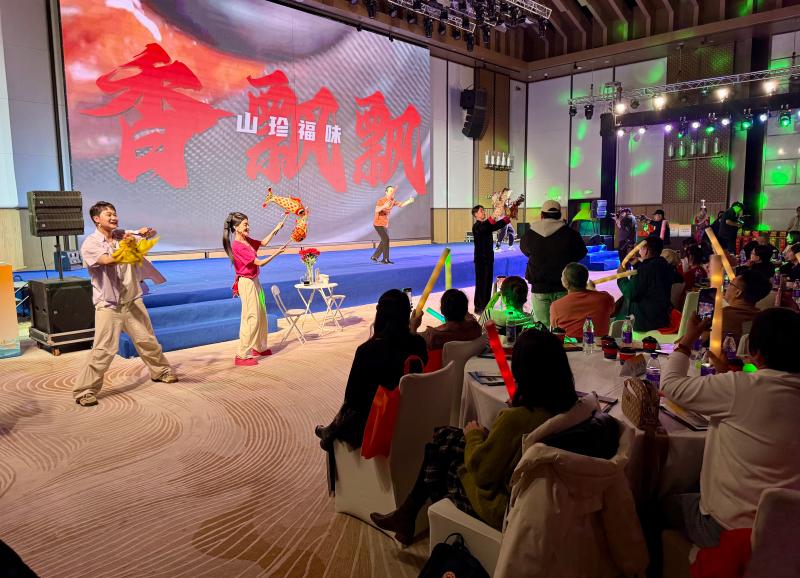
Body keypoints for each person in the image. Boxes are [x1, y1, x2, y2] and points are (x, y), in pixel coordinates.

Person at [369, 328, 583, 544]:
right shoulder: (571, 408)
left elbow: (482, 473)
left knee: (440, 454)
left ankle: (410, 516)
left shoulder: (516, 419)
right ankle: (407, 515)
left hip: (504, 508)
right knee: (445, 437)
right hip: (541, 501)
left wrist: (473, 435)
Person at [660, 309, 800, 548]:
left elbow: (670, 385)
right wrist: (727, 376)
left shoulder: (741, 388)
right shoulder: (750, 388)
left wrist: (687, 339)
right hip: (788, 533)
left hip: (728, 530)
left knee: (654, 504)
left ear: (755, 352)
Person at [73, 202, 177, 407]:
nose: (114, 217)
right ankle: (85, 390)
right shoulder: (91, 243)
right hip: (109, 304)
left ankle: (161, 371)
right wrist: (129, 246)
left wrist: (145, 233)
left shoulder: (123, 235)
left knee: (147, 340)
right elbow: (108, 261)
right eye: (108, 214)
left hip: (132, 300)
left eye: (115, 214)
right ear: (96, 219)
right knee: (104, 349)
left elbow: (144, 235)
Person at [315, 289, 427, 450]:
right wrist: (412, 329)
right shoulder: (419, 344)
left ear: (380, 315)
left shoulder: (366, 351)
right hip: (412, 416)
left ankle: (331, 432)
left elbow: (352, 399)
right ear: (406, 315)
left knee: (350, 408)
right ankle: (331, 431)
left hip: (376, 424)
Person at [222, 212, 288, 366]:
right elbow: (259, 263)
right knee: (251, 317)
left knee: (261, 313)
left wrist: (276, 228)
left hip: (255, 281)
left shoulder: (247, 240)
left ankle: (259, 347)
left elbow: (263, 242)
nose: (248, 227)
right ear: (236, 228)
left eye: (247, 223)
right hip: (247, 283)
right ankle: (242, 354)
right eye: (245, 224)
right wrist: (277, 252)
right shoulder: (238, 246)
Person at [519, 200, 588, 326]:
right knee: (563, 325)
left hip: (539, 286)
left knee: (542, 326)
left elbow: (525, 250)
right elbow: (582, 252)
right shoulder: (571, 233)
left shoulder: (530, 233)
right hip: (564, 286)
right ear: (559, 215)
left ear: (542, 215)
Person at [616, 235, 674, 331]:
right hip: (661, 318)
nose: (639, 252)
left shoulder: (645, 269)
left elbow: (630, 293)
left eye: (640, 249)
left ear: (646, 250)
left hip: (644, 321)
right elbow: (651, 281)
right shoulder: (665, 266)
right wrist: (637, 265)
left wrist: (621, 276)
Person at [550, 263, 615, 339]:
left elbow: (555, 328)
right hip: (599, 345)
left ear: (566, 283)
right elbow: (611, 310)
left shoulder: (556, 306)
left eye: (562, 276)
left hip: (570, 346)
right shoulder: (605, 298)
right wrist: (593, 289)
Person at [471, 205, 512, 315]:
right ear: (475, 214)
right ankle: (479, 307)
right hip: (481, 260)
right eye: (481, 211)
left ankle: (486, 305)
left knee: (488, 283)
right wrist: (494, 215)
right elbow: (485, 226)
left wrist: (507, 218)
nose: (483, 212)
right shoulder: (476, 226)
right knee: (481, 284)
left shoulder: (486, 226)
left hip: (488, 259)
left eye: (483, 210)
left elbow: (495, 226)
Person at [411, 288, 481, 350]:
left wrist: (413, 326)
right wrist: (460, 306)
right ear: (465, 310)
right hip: (468, 361)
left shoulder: (431, 337)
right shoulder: (475, 328)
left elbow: (410, 341)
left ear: (442, 310)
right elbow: (470, 318)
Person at [721, 269, 773, 343]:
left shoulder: (721, 316)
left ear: (738, 293)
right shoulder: (763, 319)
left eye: (730, 284)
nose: (726, 288)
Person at [371, 185, 414, 265]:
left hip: (385, 224)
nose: (392, 192)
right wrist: (384, 206)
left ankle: (375, 256)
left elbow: (401, 205)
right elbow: (376, 210)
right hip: (378, 224)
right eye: (390, 191)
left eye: (393, 191)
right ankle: (385, 259)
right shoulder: (381, 200)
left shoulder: (392, 201)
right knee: (386, 239)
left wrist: (409, 201)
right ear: (386, 192)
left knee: (384, 241)